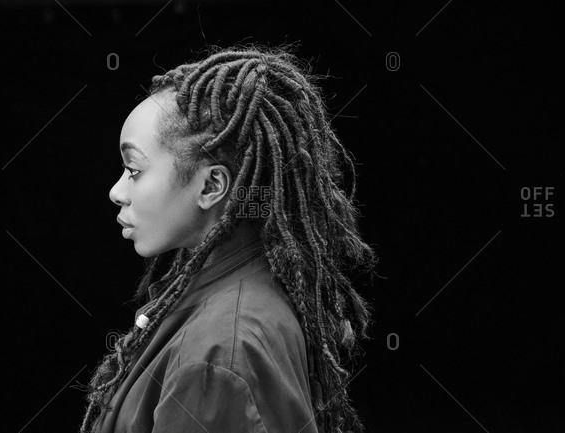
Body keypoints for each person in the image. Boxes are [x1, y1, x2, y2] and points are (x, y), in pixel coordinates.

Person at [79, 45, 378, 433]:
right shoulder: (238, 292)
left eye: (133, 169)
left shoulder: (218, 355)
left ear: (212, 186)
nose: (116, 192)